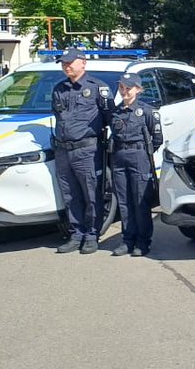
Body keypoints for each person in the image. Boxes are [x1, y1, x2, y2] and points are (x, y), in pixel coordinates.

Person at [50, 48, 114, 254]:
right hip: (63, 150)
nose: (66, 66)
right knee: (70, 195)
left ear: (83, 63)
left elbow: (109, 118)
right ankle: (76, 233)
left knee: (91, 194)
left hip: (87, 149)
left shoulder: (98, 88)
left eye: (70, 62)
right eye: (63, 63)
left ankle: (91, 234)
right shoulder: (59, 89)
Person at [109, 73, 163, 257]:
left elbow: (157, 139)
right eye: (122, 87)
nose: (124, 91)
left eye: (128, 88)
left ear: (138, 90)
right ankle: (127, 240)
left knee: (140, 201)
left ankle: (143, 241)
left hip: (139, 156)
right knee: (124, 202)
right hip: (119, 156)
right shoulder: (115, 112)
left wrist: (141, 152)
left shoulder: (147, 111)